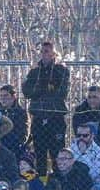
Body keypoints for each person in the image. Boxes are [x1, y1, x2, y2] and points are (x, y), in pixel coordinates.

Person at [22, 41, 70, 175]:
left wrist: (40, 91)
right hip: (38, 116)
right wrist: (45, 88)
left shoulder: (61, 70)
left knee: (57, 154)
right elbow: (27, 91)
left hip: (55, 117)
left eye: (47, 51)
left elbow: (61, 92)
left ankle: (59, 181)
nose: (44, 54)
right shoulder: (35, 71)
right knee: (40, 153)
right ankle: (41, 182)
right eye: (42, 51)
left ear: (54, 53)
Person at [72, 86, 100, 158]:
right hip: (84, 143)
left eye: (95, 97)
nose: (92, 100)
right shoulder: (80, 110)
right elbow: (77, 130)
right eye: (89, 97)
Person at [69, 122, 100, 186]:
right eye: (78, 135)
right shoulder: (71, 148)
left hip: (93, 185)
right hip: (73, 184)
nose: (81, 138)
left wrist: (83, 153)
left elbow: (93, 174)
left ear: (92, 136)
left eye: (85, 135)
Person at [0, 85, 29, 154]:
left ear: (13, 97)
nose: (3, 98)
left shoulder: (21, 113)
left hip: (15, 149)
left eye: (5, 96)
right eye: (1, 96)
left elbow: (23, 135)